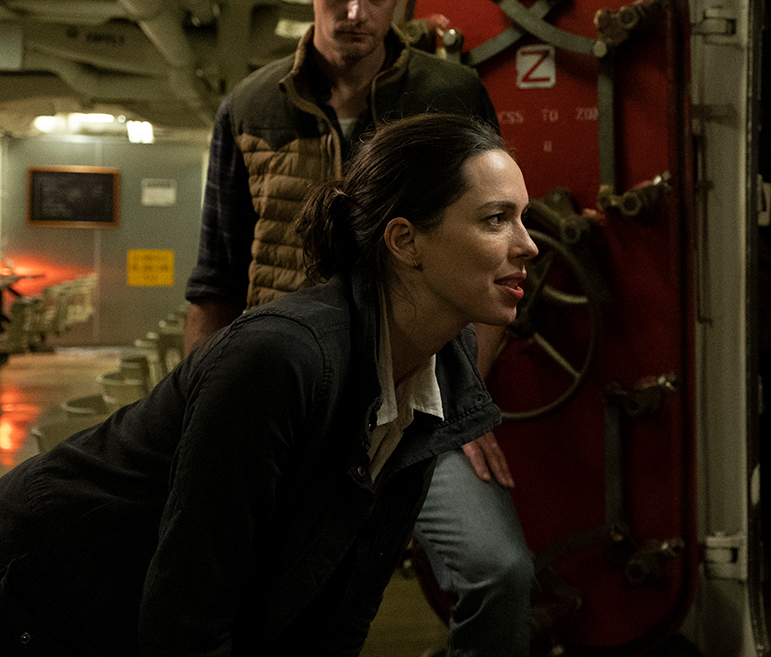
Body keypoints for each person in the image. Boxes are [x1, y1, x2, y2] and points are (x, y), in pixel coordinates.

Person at [0, 113, 539, 654]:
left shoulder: (442, 362)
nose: (528, 246)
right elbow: (188, 616)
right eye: (496, 219)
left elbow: (347, 596)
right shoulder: (281, 357)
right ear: (405, 241)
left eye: (523, 218)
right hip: (42, 589)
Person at [183, 0, 534, 656]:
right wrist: (196, 418)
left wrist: (464, 399)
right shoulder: (247, 109)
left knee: (499, 573)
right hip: (289, 400)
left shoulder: (447, 97)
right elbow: (214, 283)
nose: (357, 13)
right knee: (276, 604)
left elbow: (493, 246)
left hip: (421, 392)